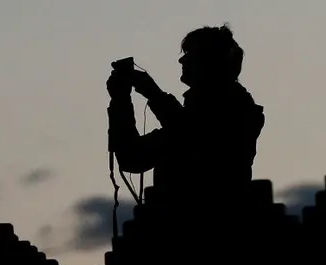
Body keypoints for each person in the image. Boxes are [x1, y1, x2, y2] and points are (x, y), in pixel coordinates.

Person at [107, 24, 266, 206]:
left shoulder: (238, 113)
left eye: (190, 55)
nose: (182, 61)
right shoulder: (200, 117)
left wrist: (152, 93)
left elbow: (192, 134)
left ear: (210, 62)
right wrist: (121, 101)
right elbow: (133, 157)